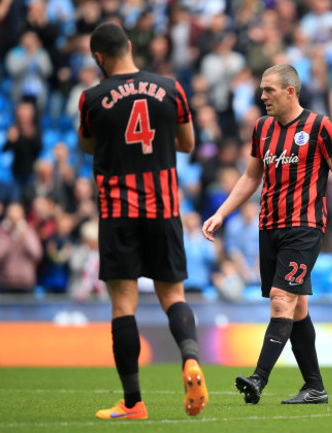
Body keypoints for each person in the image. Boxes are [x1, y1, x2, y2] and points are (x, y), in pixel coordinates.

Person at [202, 64, 332, 405]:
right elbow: (250, 177)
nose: (262, 97)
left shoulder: (321, 126)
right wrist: (221, 213)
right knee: (297, 307)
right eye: (261, 90)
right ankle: (315, 387)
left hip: (304, 227)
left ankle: (259, 378)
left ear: (290, 91)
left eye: (269, 90)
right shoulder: (261, 128)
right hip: (269, 227)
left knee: (281, 298)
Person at [77, 22, 208, 419]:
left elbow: (88, 145)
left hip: (119, 213)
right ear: (130, 46)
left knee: (123, 306)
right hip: (165, 209)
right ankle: (189, 359)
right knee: (174, 297)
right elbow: (188, 145)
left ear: (99, 58)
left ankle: (133, 402)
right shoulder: (171, 88)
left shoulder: (92, 97)